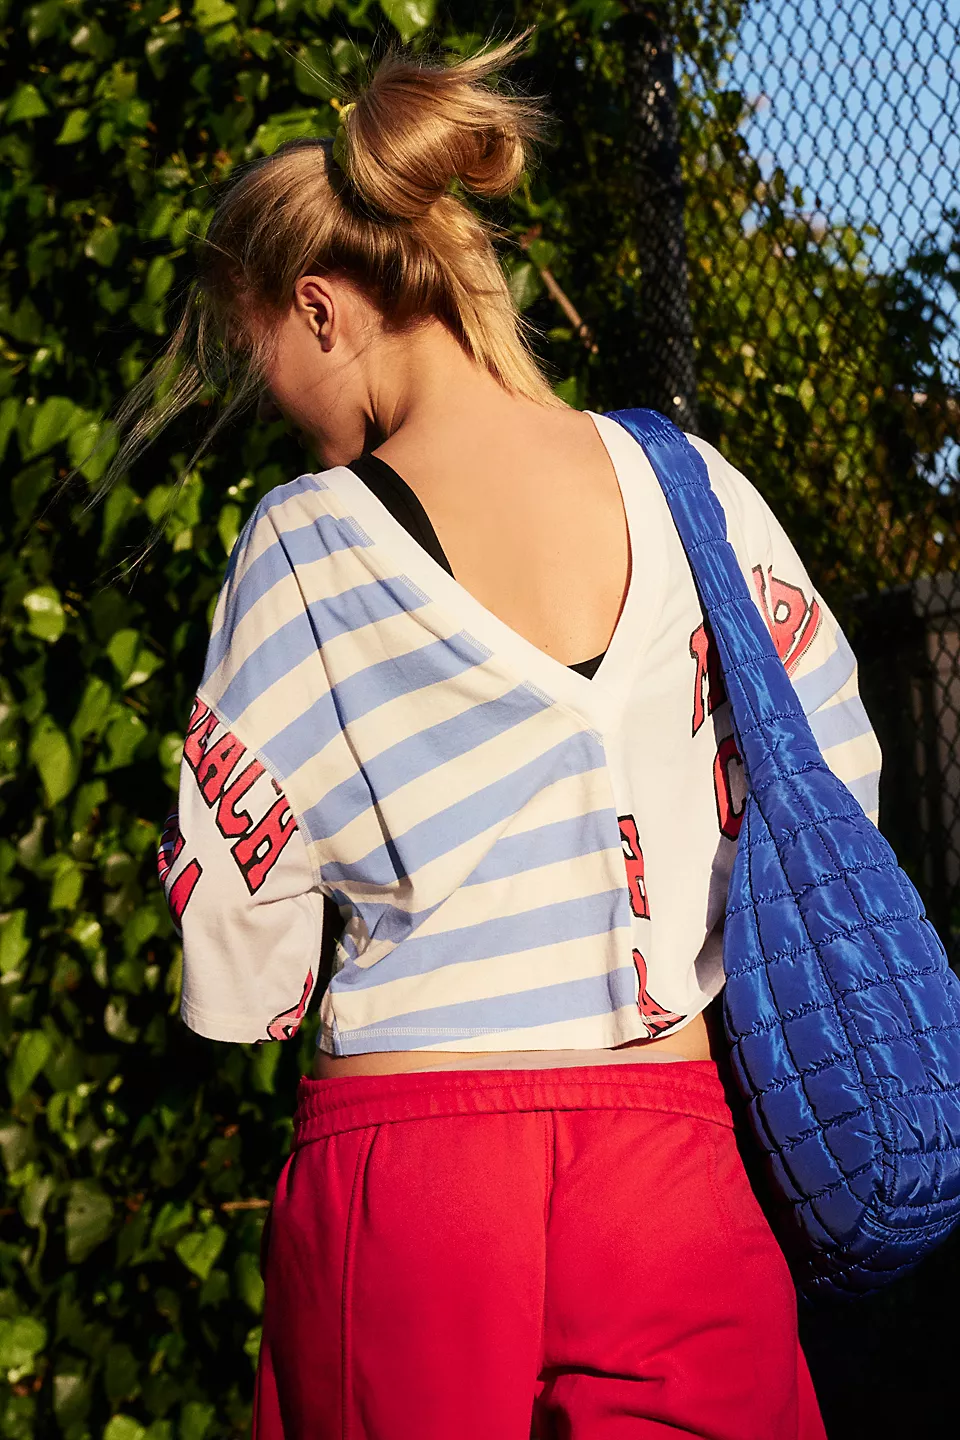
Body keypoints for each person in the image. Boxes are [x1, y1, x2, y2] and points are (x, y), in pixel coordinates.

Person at [131, 36, 882, 1440]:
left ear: (319, 310)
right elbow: (835, 763)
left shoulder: (305, 541)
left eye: (257, 351)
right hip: (670, 1158)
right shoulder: (692, 488)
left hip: (416, 1173)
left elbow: (241, 936)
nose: (272, 397)